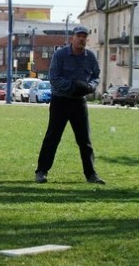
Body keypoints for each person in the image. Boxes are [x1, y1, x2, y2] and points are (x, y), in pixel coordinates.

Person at [35, 25, 105, 184]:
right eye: (79, 36)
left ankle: (91, 174)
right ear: (72, 38)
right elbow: (54, 78)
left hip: (79, 102)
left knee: (84, 140)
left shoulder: (91, 58)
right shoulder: (60, 55)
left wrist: (90, 87)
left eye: (84, 36)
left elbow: (96, 76)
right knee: (52, 137)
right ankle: (41, 171)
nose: (82, 39)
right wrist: (72, 87)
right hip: (61, 101)